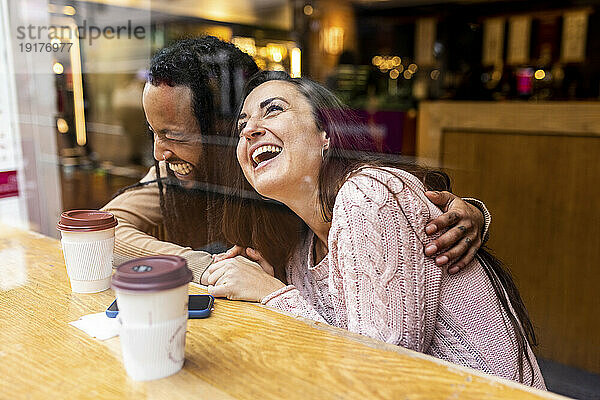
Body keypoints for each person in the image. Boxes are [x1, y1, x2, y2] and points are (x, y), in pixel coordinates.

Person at [204, 71, 546, 389]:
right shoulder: (299, 253)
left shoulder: (368, 195)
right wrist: (270, 286)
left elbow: (379, 368)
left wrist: (272, 294)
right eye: (242, 126)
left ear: (326, 134)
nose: (250, 131)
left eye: (273, 110)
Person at [103, 36, 490, 283]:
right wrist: (208, 266)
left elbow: (393, 204)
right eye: (153, 132)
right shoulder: (173, 174)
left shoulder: (325, 185)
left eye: (173, 135)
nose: (158, 152)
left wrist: (468, 215)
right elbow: (106, 229)